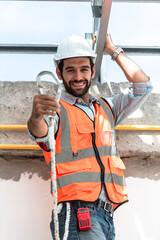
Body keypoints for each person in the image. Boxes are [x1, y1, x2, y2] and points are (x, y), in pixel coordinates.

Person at [27, 34, 152, 240]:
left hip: (106, 216)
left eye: (84, 69)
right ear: (59, 72)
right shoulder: (56, 111)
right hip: (77, 214)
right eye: (70, 70)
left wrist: (112, 50)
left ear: (93, 70)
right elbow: (39, 134)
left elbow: (143, 87)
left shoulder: (107, 108)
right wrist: (36, 116)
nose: (78, 76)